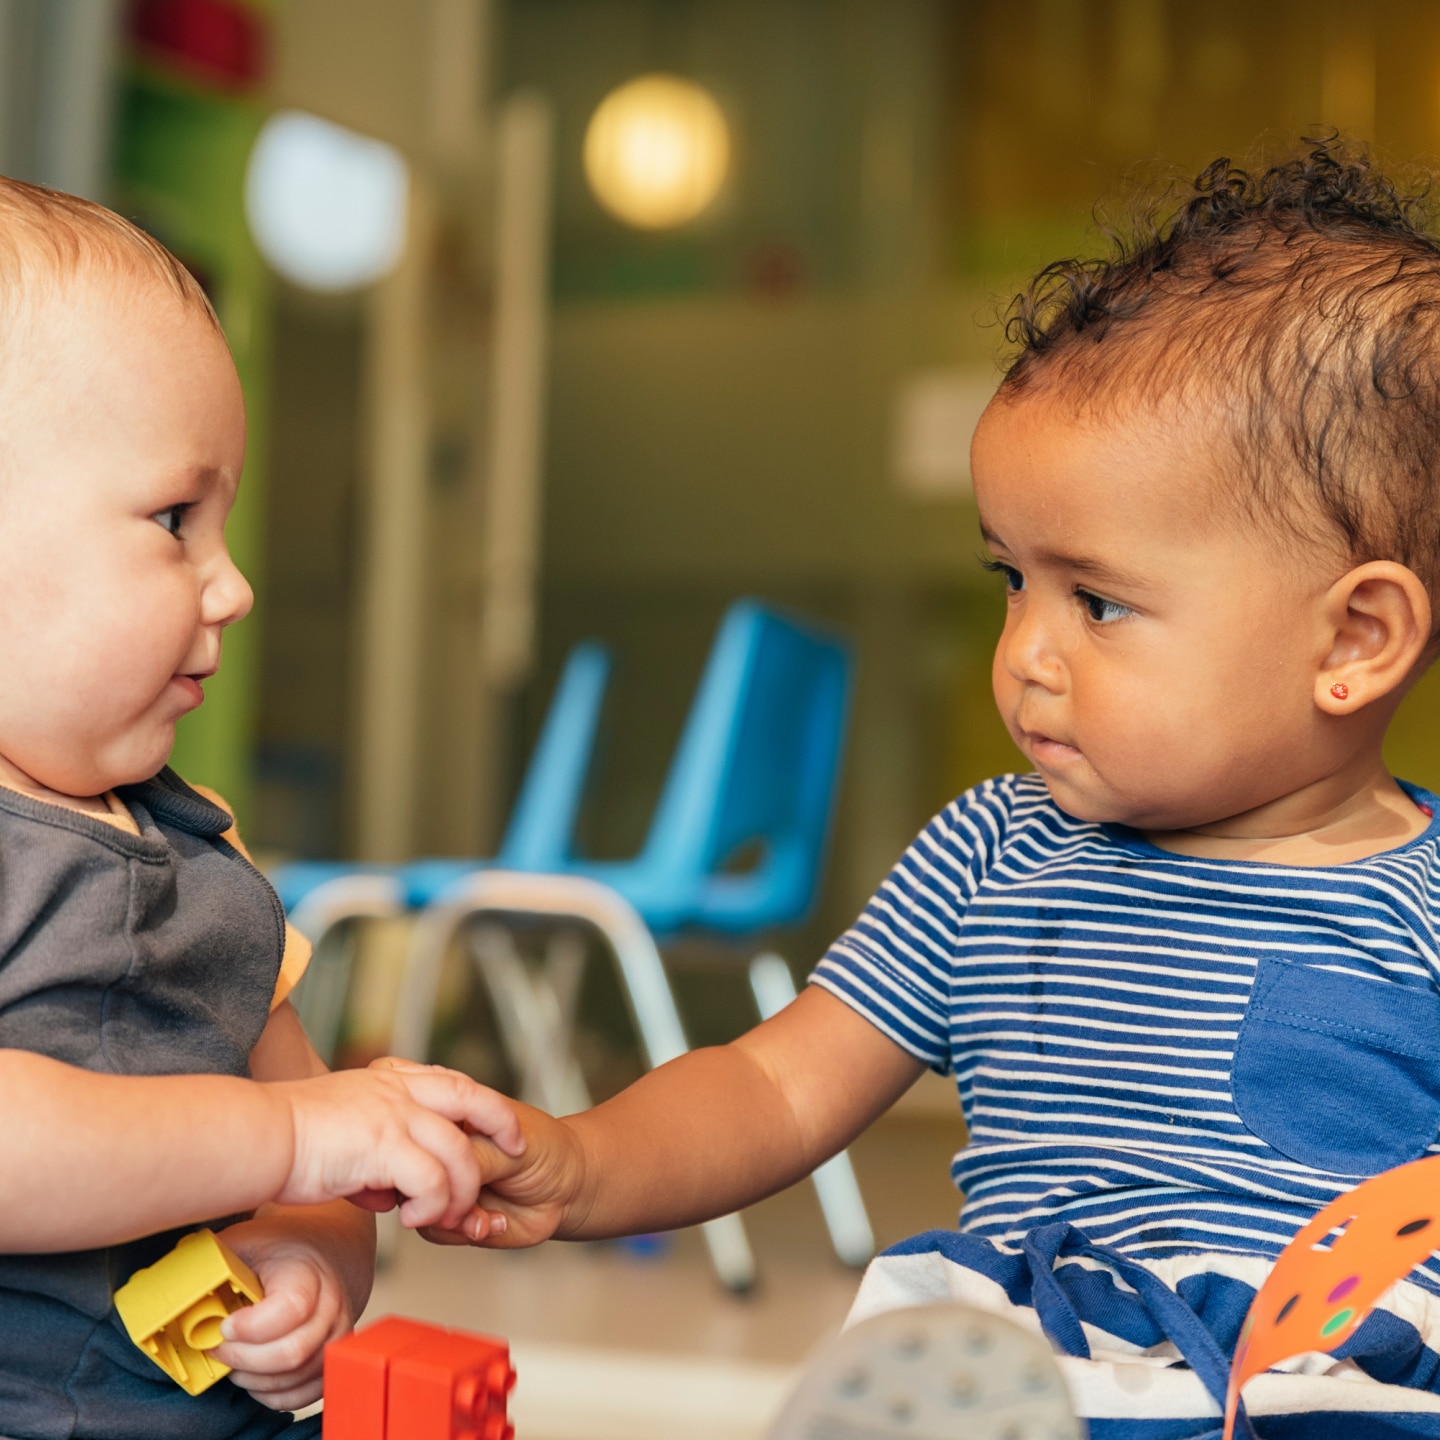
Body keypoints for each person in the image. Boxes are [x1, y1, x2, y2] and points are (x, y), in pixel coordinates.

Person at [448, 140, 1440, 1435]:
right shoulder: (994, 853)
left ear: (1352, 641)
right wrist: (583, 1164)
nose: (1026, 654)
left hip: (1341, 1379)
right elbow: (774, 1088)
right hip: (1025, 1377)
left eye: (1099, 601)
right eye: (1010, 581)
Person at [0, 177, 521, 1440]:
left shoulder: (201, 847)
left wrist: (312, 1258)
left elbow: (320, 1147)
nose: (230, 585)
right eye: (176, 519)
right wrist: (285, 1141)